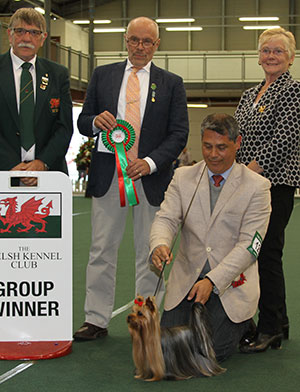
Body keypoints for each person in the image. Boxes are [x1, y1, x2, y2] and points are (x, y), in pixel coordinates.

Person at [74, 17, 189, 340]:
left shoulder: (171, 83)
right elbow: (83, 121)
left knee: (149, 253)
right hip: (108, 175)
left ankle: (144, 319)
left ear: (157, 44)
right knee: (101, 249)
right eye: (134, 40)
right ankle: (95, 319)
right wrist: (95, 120)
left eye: (147, 41)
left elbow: (180, 132)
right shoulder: (103, 75)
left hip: (150, 179)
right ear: (125, 41)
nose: (140, 47)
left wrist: (150, 163)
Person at [150, 113, 271, 362]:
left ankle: (242, 321)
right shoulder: (183, 177)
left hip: (228, 284)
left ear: (238, 143)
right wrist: (159, 244)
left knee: (207, 352)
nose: (213, 154)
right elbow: (167, 218)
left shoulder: (258, 187)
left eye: (221, 147)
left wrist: (213, 281)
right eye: (207, 146)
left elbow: (250, 246)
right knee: (169, 350)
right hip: (188, 281)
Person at [235, 28, 300, 353]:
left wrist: (249, 172)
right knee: (252, 253)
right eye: (265, 51)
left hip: (276, 185)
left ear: (290, 57)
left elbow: (285, 139)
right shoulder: (250, 94)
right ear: (258, 56)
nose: (271, 56)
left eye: (278, 51)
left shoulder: (294, 92)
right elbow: (236, 136)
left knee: (266, 254)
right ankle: (281, 322)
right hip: (247, 185)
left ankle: (270, 328)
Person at [0, 8, 73, 185]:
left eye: (34, 32)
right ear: (10, 34)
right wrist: (11, 165)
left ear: (43, 38)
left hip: (48, 175)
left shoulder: (58, 74)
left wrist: (42, 163)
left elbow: (64, 127)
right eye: (20, 31)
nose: (26, 38)